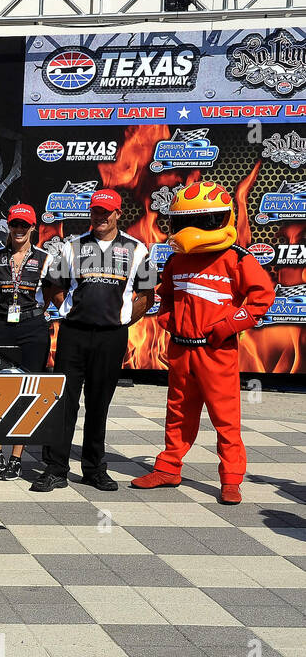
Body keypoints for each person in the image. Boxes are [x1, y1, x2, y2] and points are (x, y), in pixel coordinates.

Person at [130, 180, 275, 505]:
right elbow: (164, 297)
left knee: (226, 418)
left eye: (201, 220)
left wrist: (227, 326)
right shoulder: (176, 261)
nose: (191, 227)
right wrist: (168, 320)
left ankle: (231, 480)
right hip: (181, 349)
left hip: (217, 352)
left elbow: (262, 297)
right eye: (185, 220)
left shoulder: (236, 259)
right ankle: (168, 468)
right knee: (177, 413)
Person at [32, 188, 155, 493]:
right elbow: (55, 287)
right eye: (95, 211)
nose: (99, 217)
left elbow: (148, 295)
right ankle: (56, 468)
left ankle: (94, 468)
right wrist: (68, 310)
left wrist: (123, 319)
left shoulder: (138, 249)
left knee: (99, 404)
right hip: (73, 334)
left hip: (111, 337)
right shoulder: (71, 247)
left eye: (105, 212)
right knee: (64, 402)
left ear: (117, 214)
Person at [0, 203, 56, 480]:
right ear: (8, 227)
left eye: (24, 225)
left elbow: (48, 295)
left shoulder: (45, 258)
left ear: (33, 227)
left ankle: (16, 456)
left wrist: (31, 314)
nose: (19, 229)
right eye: (15, 224)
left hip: (32, 326)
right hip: (0, 324)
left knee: (29, 388)